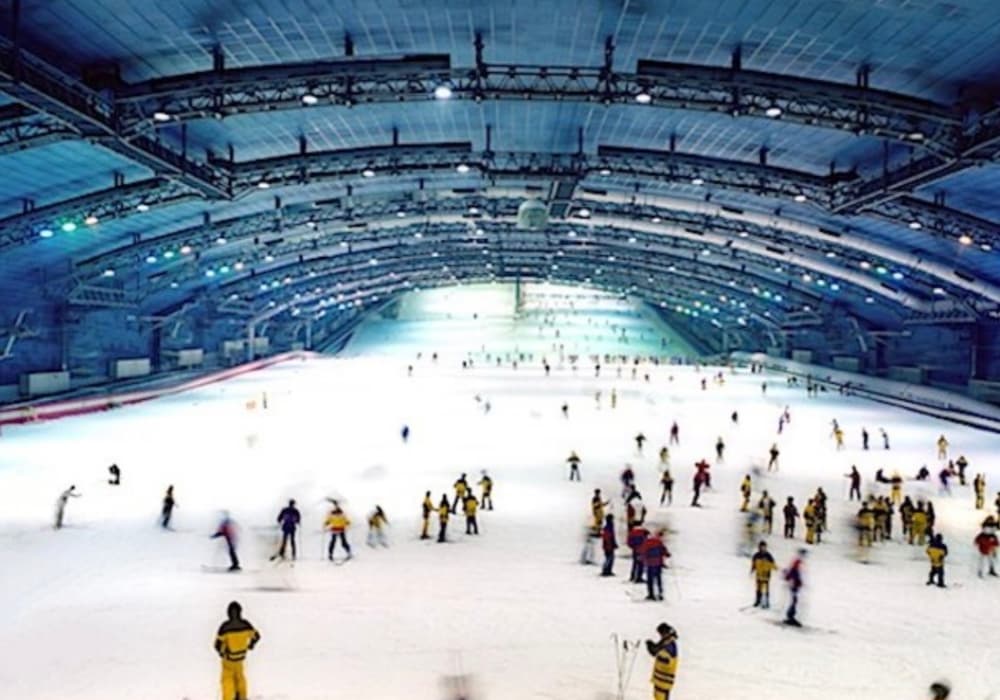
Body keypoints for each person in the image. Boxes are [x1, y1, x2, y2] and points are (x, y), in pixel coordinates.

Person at [214, 601, 260, 700]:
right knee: (240, 679)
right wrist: (251, 645)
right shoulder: (246, 625)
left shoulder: (225, 627)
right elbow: (256, 636)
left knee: (227, 681)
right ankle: (242, 697)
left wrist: (222, 652)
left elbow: (217, 645)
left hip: (228, 660)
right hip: (240, 659)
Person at [645, 623, 679, 700]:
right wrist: (651, 646)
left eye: (661, 634)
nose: (660, 636)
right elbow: (656, 650)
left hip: (664, 681)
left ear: (666, 633)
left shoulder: (670, 645)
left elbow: (663, 656)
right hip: (659, 680)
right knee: (657, 697)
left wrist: (653, 649)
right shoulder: (666, 641)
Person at [640, 529, 669, 601]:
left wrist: (643, 561)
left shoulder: (646, 543)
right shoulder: (659, 542)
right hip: (658, 563)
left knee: (650, 580)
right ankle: (660, 593)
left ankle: (651, 594)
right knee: (658, 579)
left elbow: (643, 552)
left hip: (650, 563)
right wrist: (667, 554)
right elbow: (664, 551)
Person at [750, 541, 777, 608]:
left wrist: (770, 566)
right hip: (759, 575)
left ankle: (766, 602)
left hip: (766, 575)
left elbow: (773, 564)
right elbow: (754, 564)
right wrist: (752, 570)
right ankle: (758, 600)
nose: (763, 548)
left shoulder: (768, 555)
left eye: (764, 547)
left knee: (766, 589)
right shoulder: (756, 555)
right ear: (759, 547)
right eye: (762, 547)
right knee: (758, 588)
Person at [783, 549, 806, 626]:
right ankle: (790, 616)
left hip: (795, 584)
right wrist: (789, 578)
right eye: (803, 554)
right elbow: (793, 572)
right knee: (794, 600)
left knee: (795, 600)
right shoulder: (797, 562)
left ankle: (791, 616)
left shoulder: (798, 562)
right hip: (793, 584)